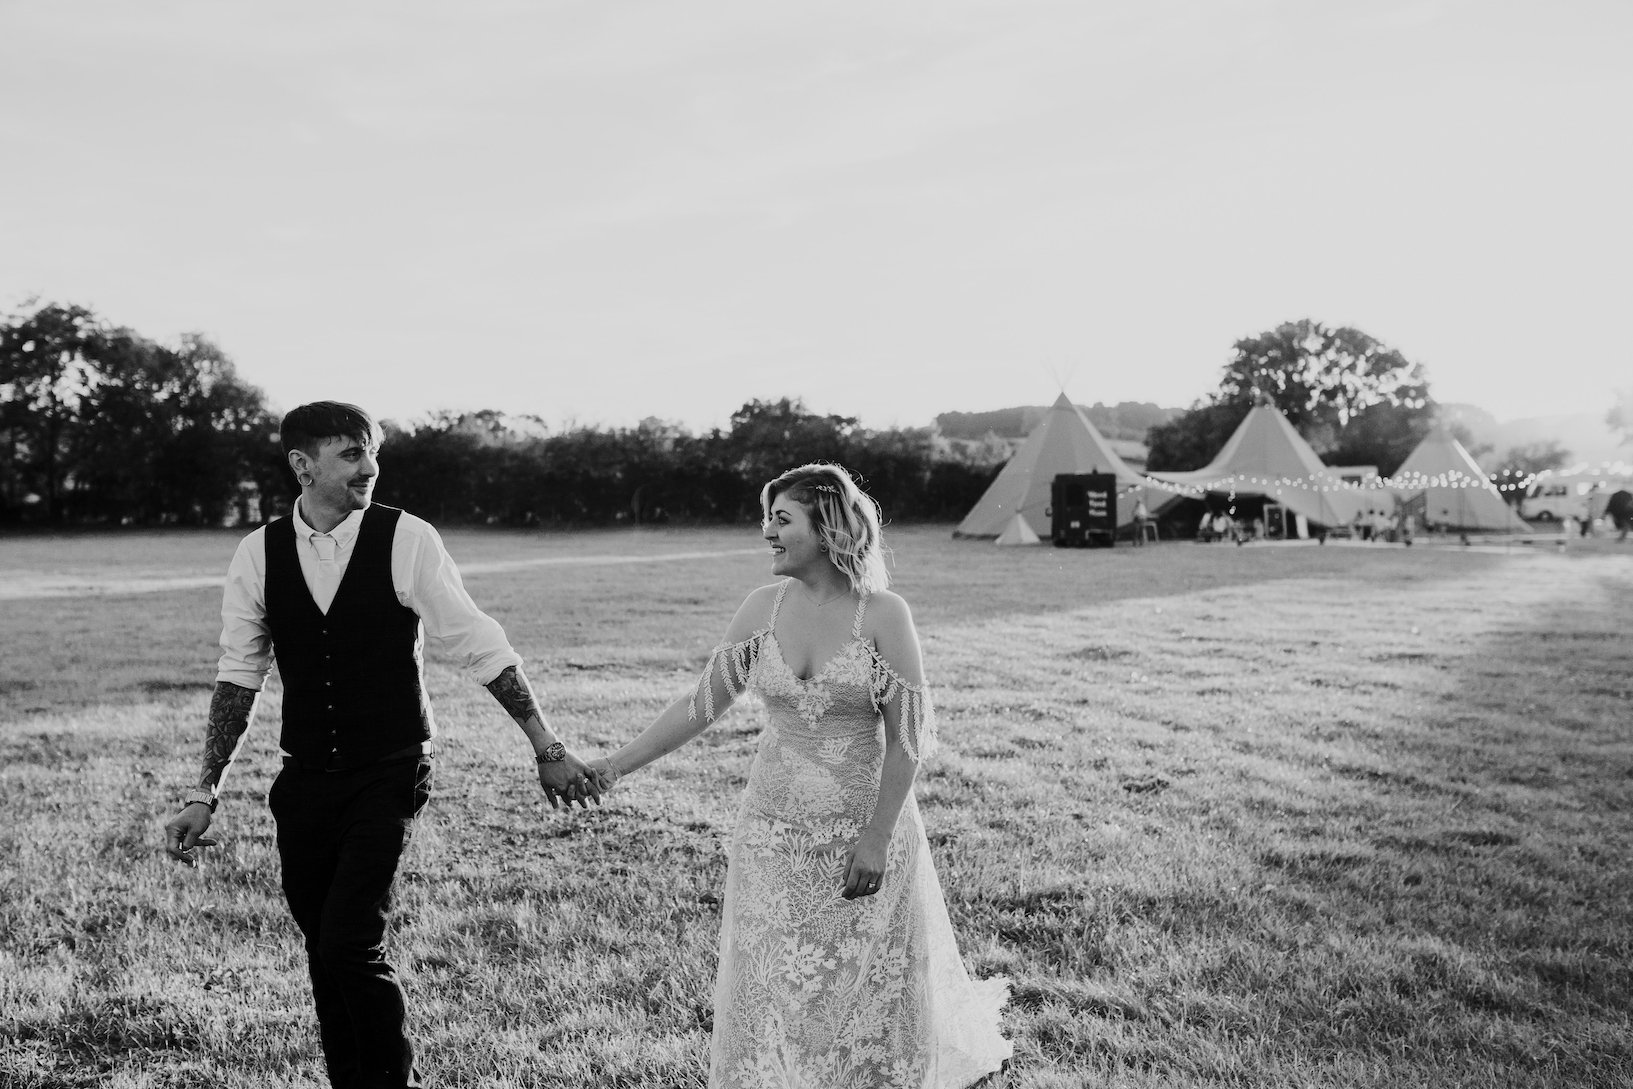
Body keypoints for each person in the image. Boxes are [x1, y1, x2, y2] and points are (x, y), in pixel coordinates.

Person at [163, 401, 605, 1089]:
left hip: (390, 772)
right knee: (324, 951)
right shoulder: (258, 551)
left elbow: (479, 645)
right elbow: (238, 675)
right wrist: (205, 791)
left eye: (371, 451)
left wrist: (544, 743)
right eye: (349, 454)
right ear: (302, 465)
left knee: (348, 940)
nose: (369, 466)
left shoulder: (407, 538)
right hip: (303, 782)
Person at [588, 463, 1011, 1088]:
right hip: (772, 832)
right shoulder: (762, 608)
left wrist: (878, 837)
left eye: (781, 519)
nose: (767, 532)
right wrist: (611, 767)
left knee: (874, 981)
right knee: (775, 976)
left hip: (864, 830)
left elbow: (908, 741)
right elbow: (700, 705)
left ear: (829, 525)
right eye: (767, 518)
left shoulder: (884, 615)